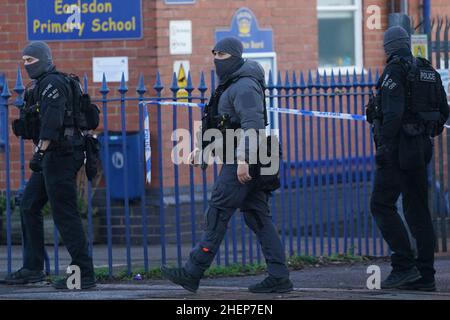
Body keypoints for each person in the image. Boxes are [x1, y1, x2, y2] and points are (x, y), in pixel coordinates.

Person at [160, 37, 293, 294]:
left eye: (221, 54)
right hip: (246, 158)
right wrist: (203, 151)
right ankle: (279, 276)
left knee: (218, 212)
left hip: (245, 160)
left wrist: (242, 160)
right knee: (258, 217)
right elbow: (223, 126)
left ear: (233, 56)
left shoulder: (243, 86)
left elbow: (252, 125)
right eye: (215, 53)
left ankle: (193, 271)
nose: (216, 59)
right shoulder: (230, 84)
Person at [3, 41, 96, 289]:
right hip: (52, 157)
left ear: (44, 59)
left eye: (30, 61)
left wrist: (39, 152)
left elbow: (53, 123)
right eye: (24, 61)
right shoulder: (42, 84)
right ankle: (33, 268)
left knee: (65, 214)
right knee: (29, 205)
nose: (26, 65)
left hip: (61, 156)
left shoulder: (52, 84)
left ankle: (83, 274)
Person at [369, 26, 449, 291]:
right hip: (421, 147)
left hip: (398, 149)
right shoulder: (428, 69)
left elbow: (392, 115)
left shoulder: (395, 70)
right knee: (418, 210)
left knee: (381, 204)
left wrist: (384, 148)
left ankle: (404, 266)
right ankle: (425, 276)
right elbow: (444, 111)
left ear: (389, 47)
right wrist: (424, 131)